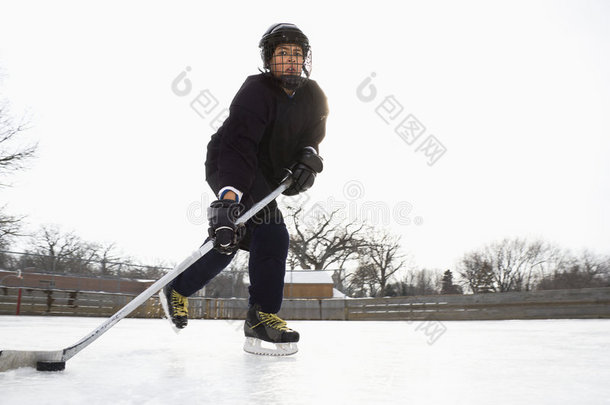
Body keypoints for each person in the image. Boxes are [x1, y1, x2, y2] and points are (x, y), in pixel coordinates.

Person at [162, 23, 328, 355]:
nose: (291, 60)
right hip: (231, 163)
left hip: (267, 173)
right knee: (272, 232)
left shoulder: (314, 95)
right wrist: (228, 200)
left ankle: (178, 288)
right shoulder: (256, 90)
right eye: (283, 53)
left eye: (297, 54)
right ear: (269, 59)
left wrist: (309, 157)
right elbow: (238, 146)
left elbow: (312, 137)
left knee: (231, 240)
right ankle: (261, 317)